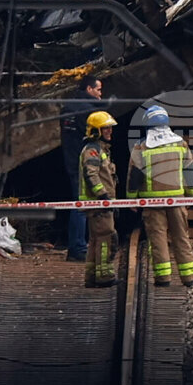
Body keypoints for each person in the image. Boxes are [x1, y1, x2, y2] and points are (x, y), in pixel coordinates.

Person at [127, 105, 193, 287]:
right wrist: (190, 195)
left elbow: (135, 174)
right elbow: (189, 172)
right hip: (177, 198)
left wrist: (132, 198)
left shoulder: (142, 146)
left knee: (157, 237)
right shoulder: (180, 143)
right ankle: (189, 277)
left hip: (152, 201)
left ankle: (163, 277)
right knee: (181, 236)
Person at [60, 75, 103, 261]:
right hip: (84, 163)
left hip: (70, 160)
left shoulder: (67, 108)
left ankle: (78, 245)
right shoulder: (89, 111)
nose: (101, 94)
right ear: (89, 90)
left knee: (78, 203)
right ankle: (78, 248)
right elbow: (94, 140)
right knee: (83, 205)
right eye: (99, 90)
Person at [79, 111, 118, 288]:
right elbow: (91, 175)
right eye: (105, 128)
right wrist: (103, 196)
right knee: (106, 238)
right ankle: (104, 277)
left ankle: (91, 276)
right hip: (98, 204)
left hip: (99, 203)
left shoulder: (99, 149)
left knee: (95, 240)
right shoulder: (93, 150)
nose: (109, 131)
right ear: (96, 131)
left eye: (110, 127)